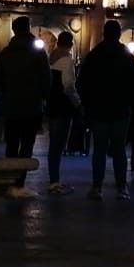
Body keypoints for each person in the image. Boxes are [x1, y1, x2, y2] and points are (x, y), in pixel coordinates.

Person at [77, 20, 134, 200]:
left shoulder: (94, 55)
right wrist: (130, 103)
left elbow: (83, 83)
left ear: (104, 33)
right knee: (119, 150)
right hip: (120, 110)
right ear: (119, 34)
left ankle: (97, 186)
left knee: (99, 149)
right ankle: (122, 187)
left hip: (98, 111)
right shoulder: (127, 56)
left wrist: (87, 105)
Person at [0, 16, 49, 199]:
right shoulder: (38, 53)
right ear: (28, 29)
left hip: (11, 106)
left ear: (13, 30)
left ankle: (10, 182)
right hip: (31, 106)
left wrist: (6, 96)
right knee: (27, 145)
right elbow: (46, 80)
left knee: (11, 145)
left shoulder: (5, 53)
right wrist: (42, 97)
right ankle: (20, 183)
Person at [46, 30, 80, 195]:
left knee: (53, 145)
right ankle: (54, 182)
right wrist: (78, 102)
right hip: (63, 107)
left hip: (52, 105)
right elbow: (69, 86)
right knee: (58, 145)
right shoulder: (66, 60)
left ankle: (54, 179)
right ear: (71, 44)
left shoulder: (51, 57)